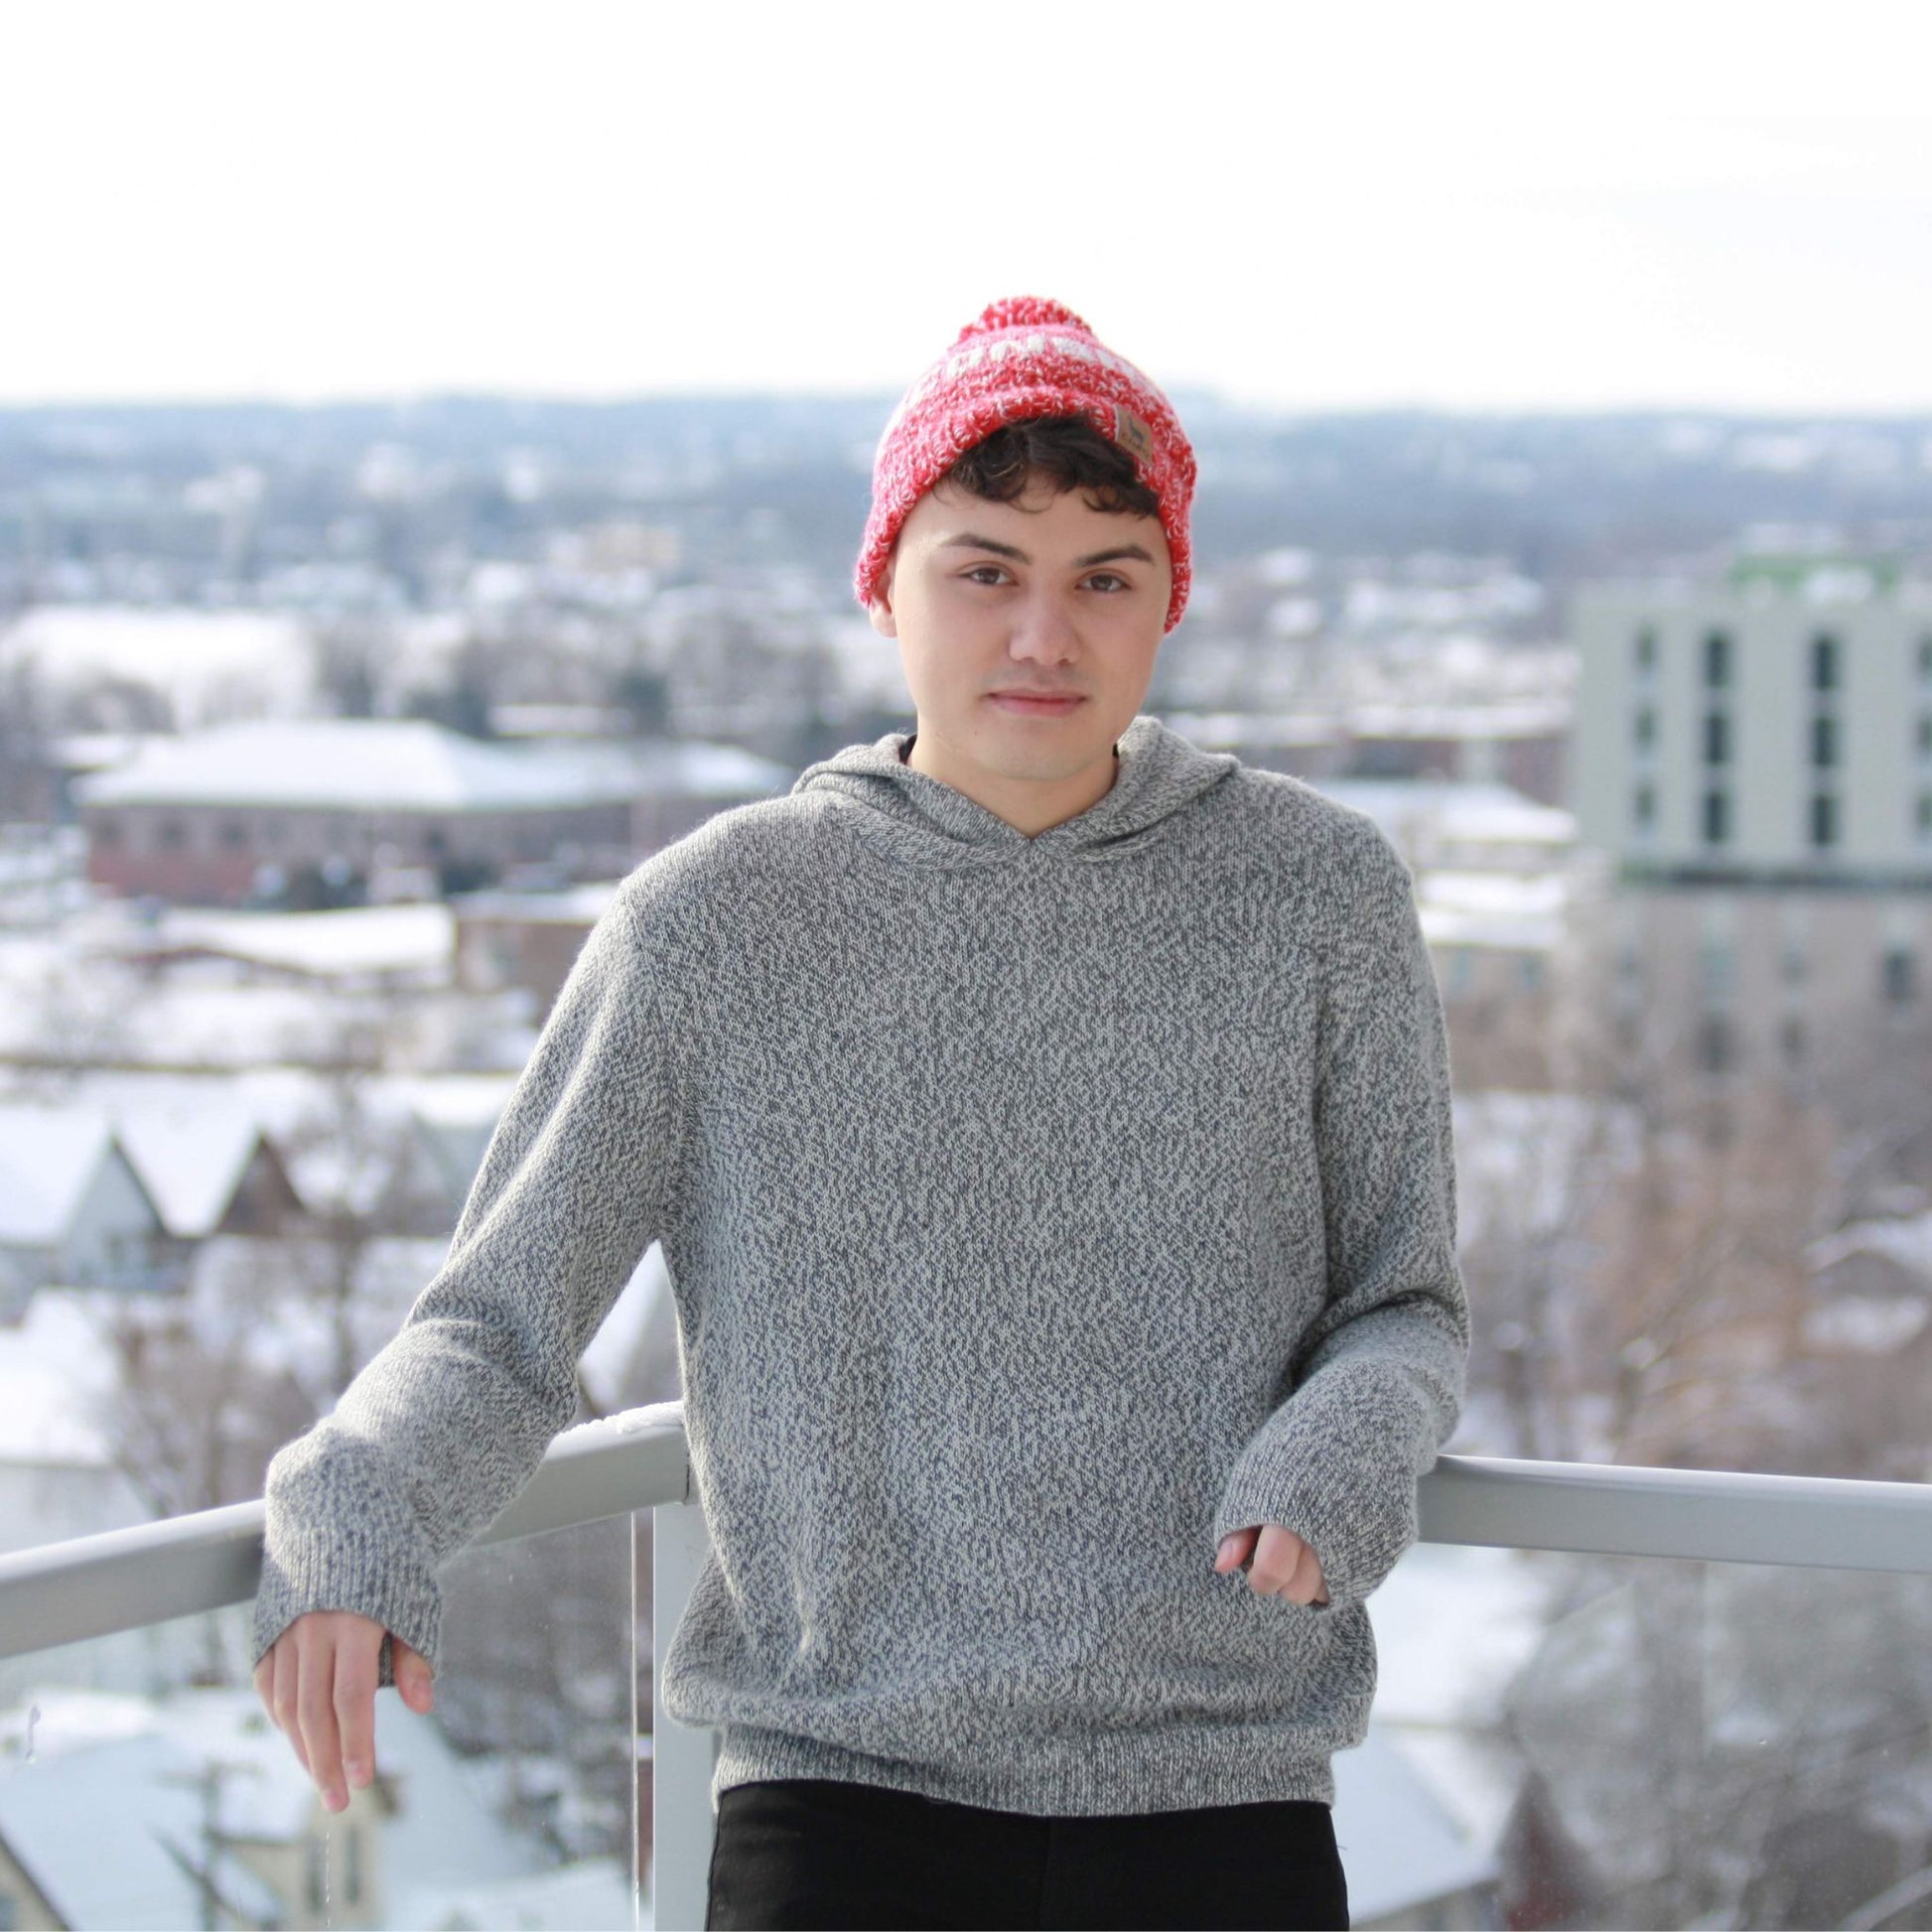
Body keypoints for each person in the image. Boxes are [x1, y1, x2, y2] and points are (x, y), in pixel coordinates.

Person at [252, 295, 1470, 1931]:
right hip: (839, 1798)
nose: (1043, 634)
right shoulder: (712, 921)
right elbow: (496, 1323)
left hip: (1221, 1785)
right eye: (983, 571)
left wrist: (1345, 1445)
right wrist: (352, 1510)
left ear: (1166, 599)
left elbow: (1403, 1303)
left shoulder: (1319, 892)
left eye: (1102, 576)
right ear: (885, 586)